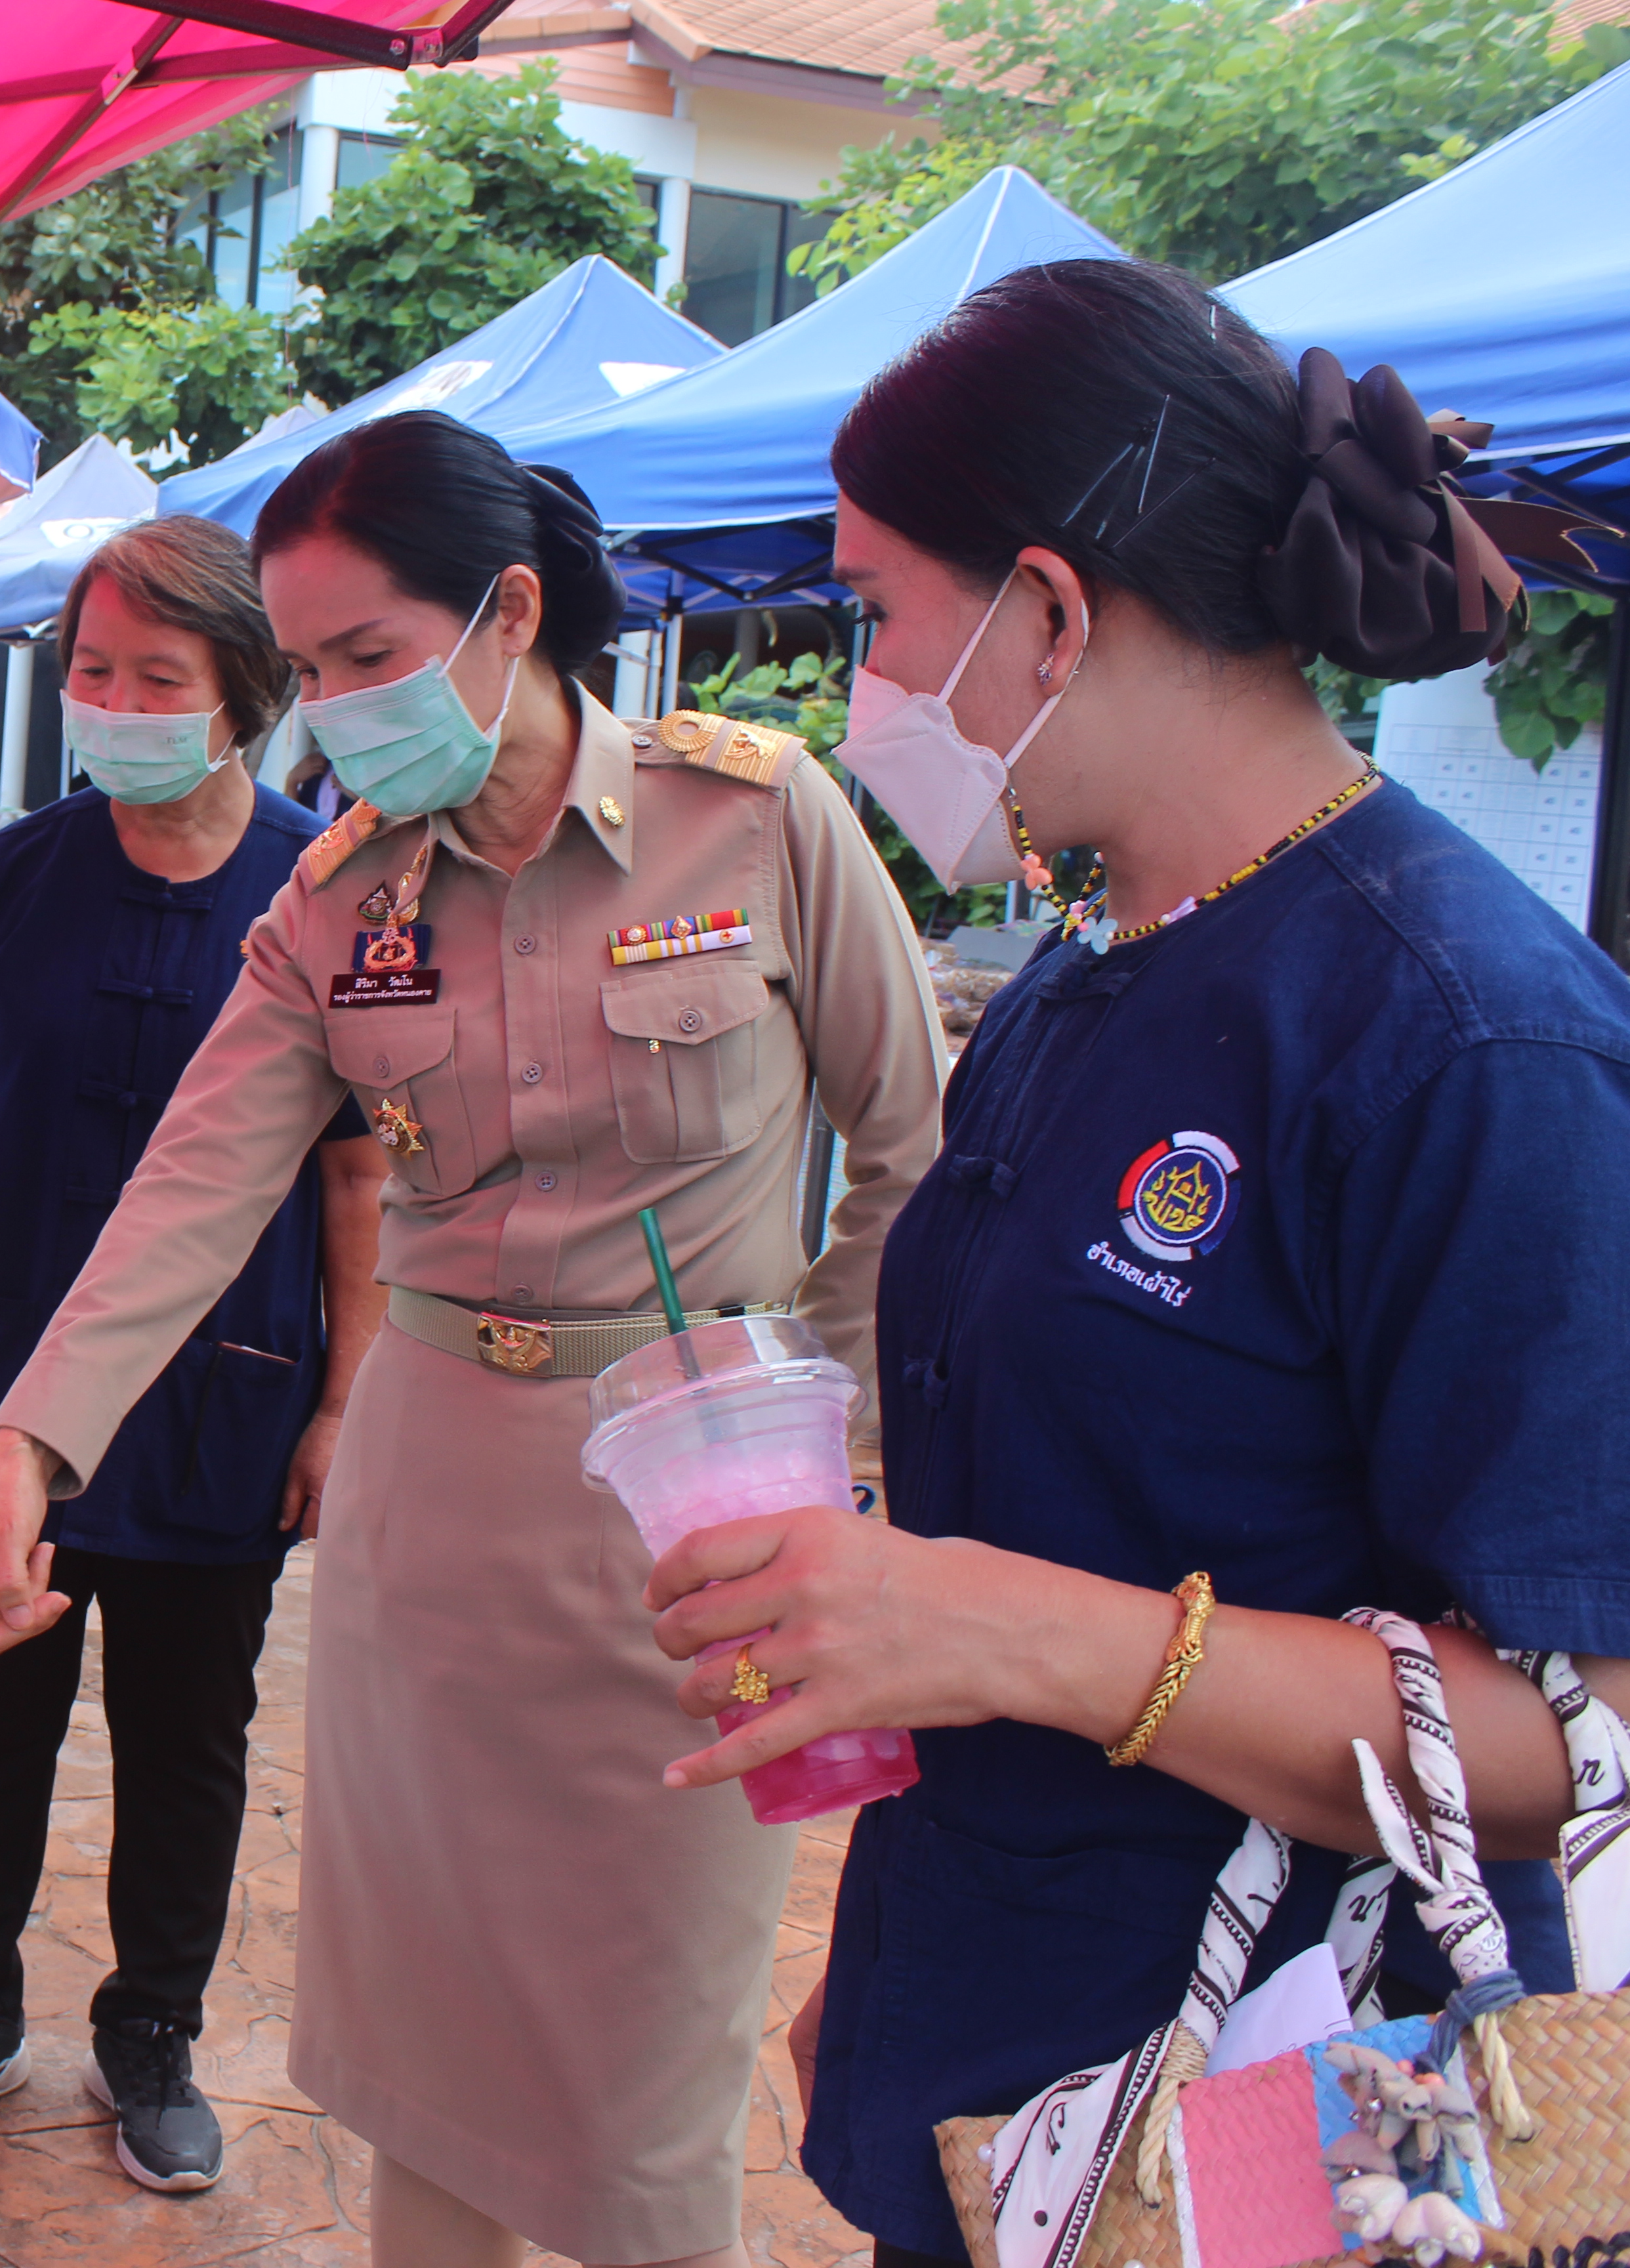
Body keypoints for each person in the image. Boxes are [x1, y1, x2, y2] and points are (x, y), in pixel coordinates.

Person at [0, 410, 949, 2268]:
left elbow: (915, 1142)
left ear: (508, 613)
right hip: (431, 1504)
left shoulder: (758, 817)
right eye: (308, 674)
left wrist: (817, 1423)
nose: (339, 708)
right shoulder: (340, 893)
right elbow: (193, 1192)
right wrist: (27, 1448)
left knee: (644, 2061)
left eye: (370, 657)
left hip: (700, 1515)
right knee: (424, 2046)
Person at [631, 260, 1630, 2268]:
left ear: (1053, 609)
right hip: (1011, 2061)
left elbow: (1572, 1742)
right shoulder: (1089, 974)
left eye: (877, 614)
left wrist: (996, 1629)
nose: (860, 687)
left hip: (1286, 2116)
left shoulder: (1468, 1041)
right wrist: (921, 1944)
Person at [0, 516, 387, 2193]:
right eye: (90, 669)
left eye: (157, 675)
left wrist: (342, 1406)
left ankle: (152, 2027)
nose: (114, 700)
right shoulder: (11, 879)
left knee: (184, 1726)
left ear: (239, 692)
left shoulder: (329, 887)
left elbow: (355, 1170)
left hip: (227, 1392)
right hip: (3, 1380)